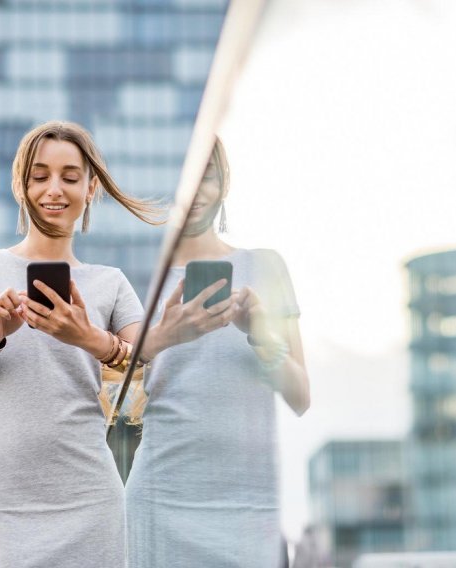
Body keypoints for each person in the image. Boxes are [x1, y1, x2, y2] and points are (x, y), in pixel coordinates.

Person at [0, 121, 162, 567]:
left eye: (71, 177)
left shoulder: (111, 284)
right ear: (20, 185)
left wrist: (90, 339)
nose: (54, 189)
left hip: (89, 499)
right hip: (3, 507)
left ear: (91, 188)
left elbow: (155, 378)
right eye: (40, 176)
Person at [125, 136, 310, 567]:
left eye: (205, 176)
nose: (193, 191)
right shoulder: (136, 276)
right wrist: (164, 335)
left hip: (249, 506)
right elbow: (107, 385)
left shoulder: (265, 266)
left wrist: (261, 334)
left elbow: (301, 398)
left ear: (224, 184)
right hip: (161, 499)